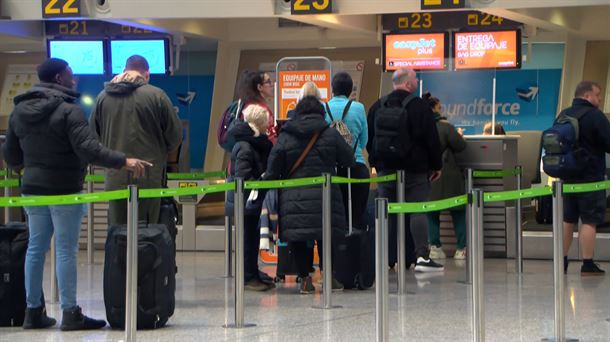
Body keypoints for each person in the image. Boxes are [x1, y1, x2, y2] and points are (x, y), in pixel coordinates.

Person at [3, 58, 151, 330]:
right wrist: (123, 160)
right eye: (71, 75)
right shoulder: (69, 111)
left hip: (32, 190)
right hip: (64, 189)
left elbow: (11, 156)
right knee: (65, 249)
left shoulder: (18, 111)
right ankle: (70, 312)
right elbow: (89, 149)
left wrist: (32, 166)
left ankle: (32, 311)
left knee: (35, 248)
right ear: (59, 78)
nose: (75, 79)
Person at [264, 95, 355, 294]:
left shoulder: (286, 135)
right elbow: (349, 159)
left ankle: (305, 279)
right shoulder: (330, 134)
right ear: (320, 113)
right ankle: (329, 277)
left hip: (294, 197)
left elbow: (273, 168)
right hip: (326, 195)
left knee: (299, 236)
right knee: (326, 235)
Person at [366, 68, 443, 272]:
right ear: (408, 83)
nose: (417, 81)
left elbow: (370, 139)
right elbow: (432, 140)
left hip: (386, 170)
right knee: (417, 209)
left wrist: (376, 163)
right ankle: (421, 257)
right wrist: (436, 166)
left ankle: (386, 257)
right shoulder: (419, 106)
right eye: (415, 78)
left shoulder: (377, 105)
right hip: (415, 170)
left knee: (387, 213)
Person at [90, 55, 182, 225]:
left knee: (117, 233)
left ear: (124, 71)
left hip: (115, 176)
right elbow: (175, 136)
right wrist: (159, 151)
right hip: (149, 177)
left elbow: (93, 136)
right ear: (146, 74)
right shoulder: (157, 96)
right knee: (147, 234)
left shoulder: (103, 97)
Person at [560, 81, 610, 275]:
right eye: (598, 95)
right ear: (588, 96)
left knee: (568, 219)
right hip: (590, 178)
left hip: (567, 177)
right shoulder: (595, 116)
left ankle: (562, 260)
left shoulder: (563, 114)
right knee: (589, 220)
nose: (599, 99)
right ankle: (587, 263)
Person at [225, 104, 274, 291]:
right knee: (248, 240)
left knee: (252, 239)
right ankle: (248, 276)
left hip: (248, 201)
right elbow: (243, 176)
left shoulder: (249, 143)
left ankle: (252, 271)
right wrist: (259, 181)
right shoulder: (246, 146)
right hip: (245, 201)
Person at [422, 93, 467, 260]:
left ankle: (435, 246)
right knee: (458, 211)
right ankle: (461, 248)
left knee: (431, 212)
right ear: (434, 108)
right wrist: (459, 134)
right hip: (449, 174)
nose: (441, 111)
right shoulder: (445, 126)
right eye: (439, 108)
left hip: (429, 175)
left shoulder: (421, 126)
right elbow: (460, 145)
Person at [324, 72, 369, 232]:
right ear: (350, 90)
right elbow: (364, 140)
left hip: (331, 170)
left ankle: (335, 254)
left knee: (334, 219)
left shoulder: (323, 108)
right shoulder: (359, 108)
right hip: (356, 166)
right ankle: (354, 253)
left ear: (332, 89)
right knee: (356, 218)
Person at [237, 70, 278, 143]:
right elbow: (270, 136)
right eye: (268, 82)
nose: (272, 84)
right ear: (259, 87)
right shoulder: (260, 109)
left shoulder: (247, 106)